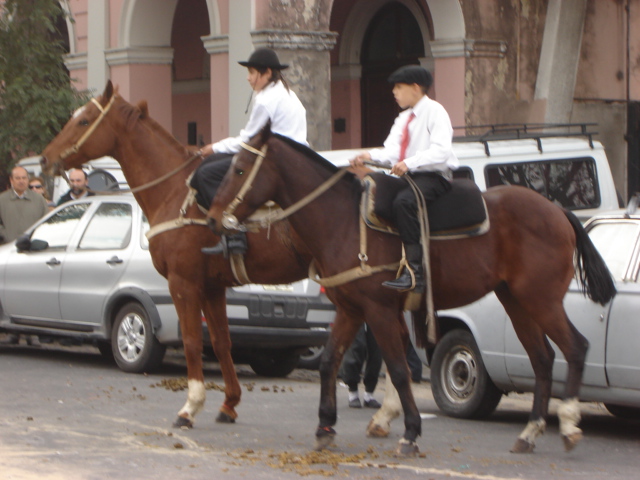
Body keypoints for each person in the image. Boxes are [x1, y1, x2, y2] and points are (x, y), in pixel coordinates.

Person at [351, 65, 459, 292]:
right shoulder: (403, 118)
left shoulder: (435, 111)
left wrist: (409, 163)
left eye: (399, 87)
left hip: (433, 177)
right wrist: (368, 156)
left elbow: (442, 151)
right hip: (409, 176)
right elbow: (391, 151)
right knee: (372, 192)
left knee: (404, 202)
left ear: (415, 88)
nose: (394, 92)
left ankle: (415, 273)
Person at [192, 47, 308, 256]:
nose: (248, 78)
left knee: (205, 174)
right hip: (294, 158)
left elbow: (247, 142)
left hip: (272, 162)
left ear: (267, 74)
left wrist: (214, 147)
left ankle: (233, 236)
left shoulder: (265, 100)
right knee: (213, 164)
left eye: (253, 73)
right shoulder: (287, 93)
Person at [0, 166, 49, 346]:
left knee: (32, 295)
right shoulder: (2, 200)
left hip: (33, 254)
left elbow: (48, 223)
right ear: (11, 181)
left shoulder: (38, 200)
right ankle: (13, 332)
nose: (21, 181)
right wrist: (4, 233)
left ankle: (32, 334)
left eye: (24, 178)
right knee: (12, 294)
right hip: (9, 254)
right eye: (18, 178)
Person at [339, 324, 382, 409]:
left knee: (377, 350)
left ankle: (369, 395)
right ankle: (353, 393)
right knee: (356, 346)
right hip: (355, 312)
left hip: (377, 312)